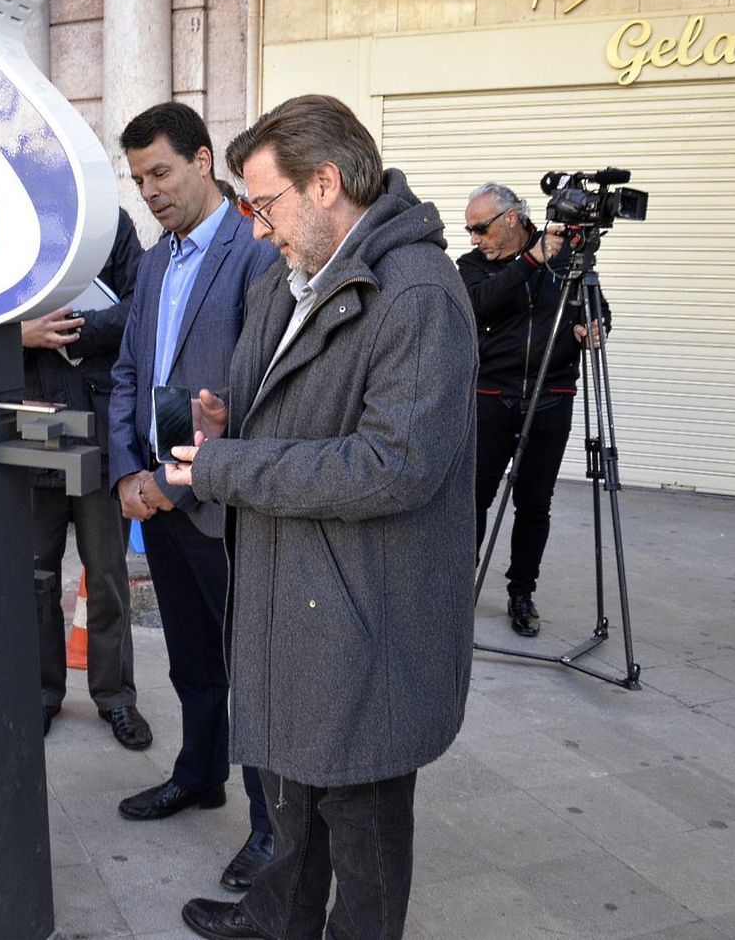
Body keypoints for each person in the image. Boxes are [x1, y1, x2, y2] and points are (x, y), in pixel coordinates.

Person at [164, 94, 477, 940]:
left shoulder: (417, 297)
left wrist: (232, 464)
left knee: (364, 816)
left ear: (326, 183)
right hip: (299, 591)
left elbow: (395, 466)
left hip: (370, 611)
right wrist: (236, 420)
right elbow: (293, 409)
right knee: (297, 785)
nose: (257, 228)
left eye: (265, 204)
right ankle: (277, 920)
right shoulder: (289, 278)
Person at [109, 101, 281, 893]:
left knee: (252, 667)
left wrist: (172, 482)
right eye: (139, 177)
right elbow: (129, 378)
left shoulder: (255, 254)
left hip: (220, 505)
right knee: (191, 660)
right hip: (157, 494)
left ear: (204, 160)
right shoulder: (153, 260)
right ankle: (198, 773)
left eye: (162, 173)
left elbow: (263, 393)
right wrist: (125, 475)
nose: (149, 190)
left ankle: (272, 828)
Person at [458, 183, 610, 638]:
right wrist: (531, 260)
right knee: (473, 500)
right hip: (491, 398)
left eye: (480, 228)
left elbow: (597, 305)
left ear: (511, 219)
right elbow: (479, 305)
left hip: (551, 395)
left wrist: (595, 325)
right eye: (469, 229)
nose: (473, 238)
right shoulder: (472, 268)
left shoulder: (568, 260)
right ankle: (457, 587)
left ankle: (521, 593)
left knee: (534, 504)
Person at [22, 209, 150, 747]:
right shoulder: (7, 219)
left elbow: (142, 307)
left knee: (106, 574)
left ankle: (115, 697)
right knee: (35, 574)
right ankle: (40, 692)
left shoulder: (108, 221)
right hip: (29, 425)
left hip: (99, 426)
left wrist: (73, 333)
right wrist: (21, 335)